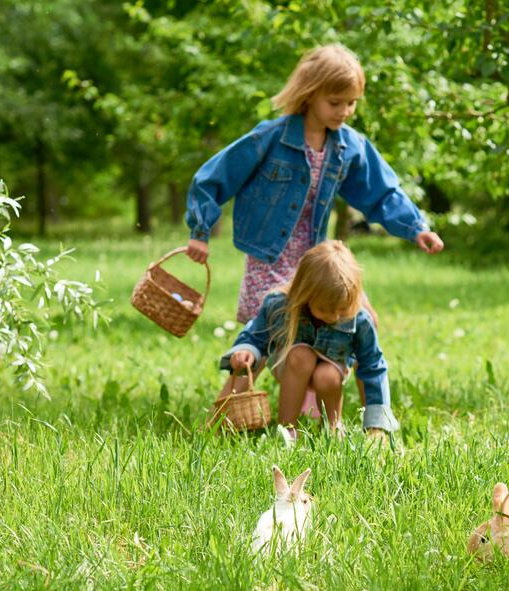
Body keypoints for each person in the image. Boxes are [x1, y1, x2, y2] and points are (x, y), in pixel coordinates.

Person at [184, 43, 443, 411]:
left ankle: (363, 413)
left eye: (351, 103)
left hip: (313, 259)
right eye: (335, 102)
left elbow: (381, 190)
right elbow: (214, 177)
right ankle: (231, 409)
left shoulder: (348, 147)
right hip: (269, 257)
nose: (345, 111)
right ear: (310, 94)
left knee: (358, 317)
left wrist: (416, 227)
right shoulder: (269, 138)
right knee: (266, 330)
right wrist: (200, 230)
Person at [219, 241, 396, 446]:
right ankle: (287, 429)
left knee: (327, 375)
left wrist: (377, 424)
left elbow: (373, 367)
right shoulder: (279, 306)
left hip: (332, 369)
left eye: (341, 309)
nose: (334, 316)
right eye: (325, 309)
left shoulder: (359, 320)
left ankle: (331, 427)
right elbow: (255, 335)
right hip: (291, 365)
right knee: (301, 355)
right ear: (305, 294)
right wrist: (246, 350)